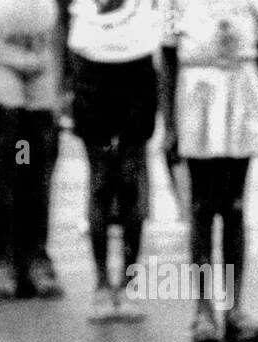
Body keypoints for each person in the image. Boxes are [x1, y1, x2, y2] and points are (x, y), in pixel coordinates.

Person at [162, 0, 258, 342]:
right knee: (201, 206)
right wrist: (169, 124)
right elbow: (167, 56)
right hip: (197, 92)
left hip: (242, 92)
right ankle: (203, 310)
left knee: (235, 207)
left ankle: (234, 309)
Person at [66, 0, 162, 323]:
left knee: (131, 178)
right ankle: (101, 284)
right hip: (91, 60)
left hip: (137, 59)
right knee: (101, 179)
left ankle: (129, 284)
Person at [0, 0, 64, 301]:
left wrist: (67, 77)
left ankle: (37, 258)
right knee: (11, 160)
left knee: (35, 164)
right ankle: (6, 262)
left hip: (41, 53)